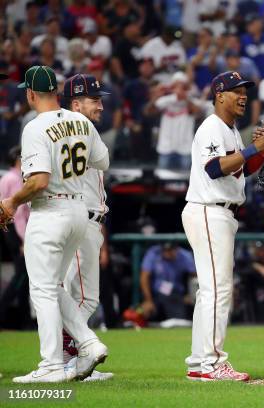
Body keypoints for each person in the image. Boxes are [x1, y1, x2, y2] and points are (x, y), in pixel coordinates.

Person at [5, 66, 109, 383]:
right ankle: (89, 343)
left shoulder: (35, 127)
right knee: (52, 285)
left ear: (30, 94)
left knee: (43, 290)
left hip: (50, 210)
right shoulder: (81, 121)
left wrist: (11, 202)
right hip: (79, 209)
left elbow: (38, 181)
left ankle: (52, 365)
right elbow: (101, 161)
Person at [181, 71, 264, 381]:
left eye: (245, 91)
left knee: (208, 292)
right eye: (235, 91)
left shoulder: (231, 130)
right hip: (209, 210)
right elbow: (214, 168)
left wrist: (262, 149)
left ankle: (200, 361)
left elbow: (239, 169)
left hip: (218, 212)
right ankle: (213, 364)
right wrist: (254, 149)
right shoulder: (212, 127)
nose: (243, 96)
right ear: (219, 96)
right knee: (218, 290)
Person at [60, 73, 113, 382]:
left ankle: (68, 358)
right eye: (95, 100)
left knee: (74, 294)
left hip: (85, 217)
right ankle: (69, 358)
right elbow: (103, 162)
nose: (101, 106)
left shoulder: (70, 130)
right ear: (76, 104)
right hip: (81, 216)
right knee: (83, 298)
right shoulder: (79, 130)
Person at [0, 146, 31, 328]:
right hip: (16, 231)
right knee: (21, 276)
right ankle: (3, 314)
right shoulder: (15, 179)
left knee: (24, 277)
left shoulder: (6, 178)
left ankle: (25, 320)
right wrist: (25, 241)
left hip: (11, 229)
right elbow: (18, 214)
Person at [140, 242, 196, 321]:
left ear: (176, 249)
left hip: (177, 295)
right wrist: (148, 300)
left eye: (170, 250)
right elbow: (144, 277)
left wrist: (191, 295)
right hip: (155, 295)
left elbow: (196, 275)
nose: (167, 253)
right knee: (146, 311)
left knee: (180, 317)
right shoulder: (154, 253)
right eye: (165, 250)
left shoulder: (184, 255)